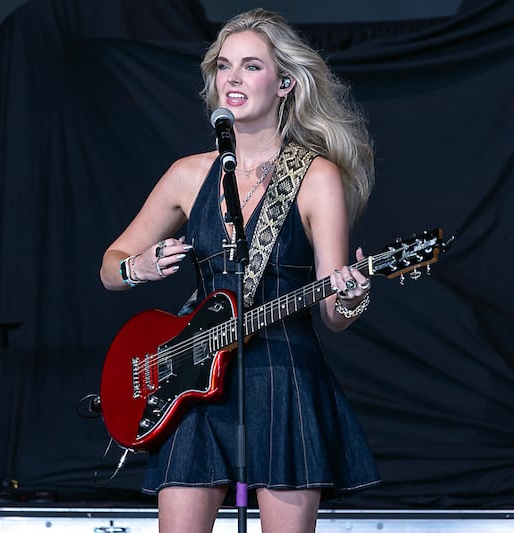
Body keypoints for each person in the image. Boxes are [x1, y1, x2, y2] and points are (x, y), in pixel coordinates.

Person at [100, 8, 379, 532]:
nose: (232, 78)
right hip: (191, 376)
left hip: (282, 375)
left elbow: (332, 315)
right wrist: (139, 266)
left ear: (285, 83)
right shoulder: (188, 174)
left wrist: (350, 296)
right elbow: (109, 268)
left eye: (251, 66)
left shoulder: (316, 176)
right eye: (224, 65)